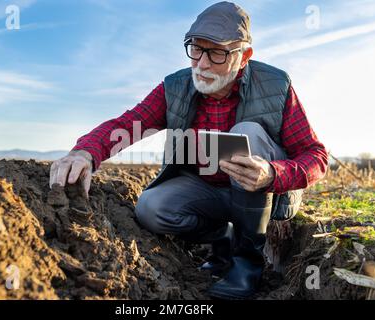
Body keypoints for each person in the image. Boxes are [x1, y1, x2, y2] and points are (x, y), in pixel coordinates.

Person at [49, 1, 328, 299]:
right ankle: (222, 238)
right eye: (196, 49)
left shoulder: (276, 85)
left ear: (244, 56)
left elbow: (316, 156)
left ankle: (248, 264)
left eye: (217, 52)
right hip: (209, 191)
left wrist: (273, 174)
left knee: (248, 133)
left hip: (262, 195)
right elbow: (127, 124)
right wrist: (86, 153)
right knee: (151, 208)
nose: (202, 64)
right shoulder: (176, 87)